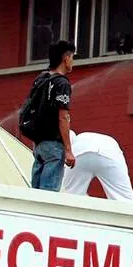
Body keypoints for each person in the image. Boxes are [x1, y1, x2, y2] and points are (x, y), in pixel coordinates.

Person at [27, 40, 77, 191]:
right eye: (72, 57)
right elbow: (63, 117)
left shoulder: (41, 79)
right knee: (49, 195)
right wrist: (68, 150)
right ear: (66, 58)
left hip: (38, 145)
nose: (72, 62)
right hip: (53, 145)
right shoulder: (62, 84)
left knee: (36, 192)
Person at [60, 130, 133, 203]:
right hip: (109, 152)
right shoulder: (111, 144)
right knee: (124, 199)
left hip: (79, 152)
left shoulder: (77, 140)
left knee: (71, 196)